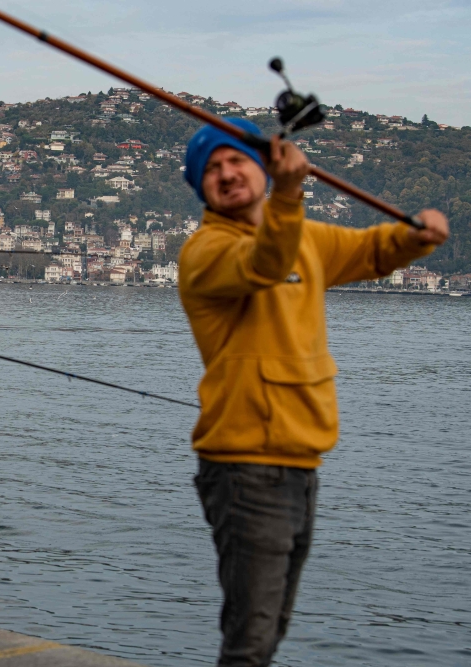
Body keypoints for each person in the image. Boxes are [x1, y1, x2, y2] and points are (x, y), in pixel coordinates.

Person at [177, 119, 449, 667]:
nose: (227, 174)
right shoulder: (205, 252)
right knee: (250, 638)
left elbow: (372, 250)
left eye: (236, 160)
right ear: (200, 188)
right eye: (211, 170)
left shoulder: (301, 235)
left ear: (261, 164)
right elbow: (264, 263)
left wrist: (415, 237)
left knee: (271, 626)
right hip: (244, 465)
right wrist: (289, 192)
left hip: (299, 461)